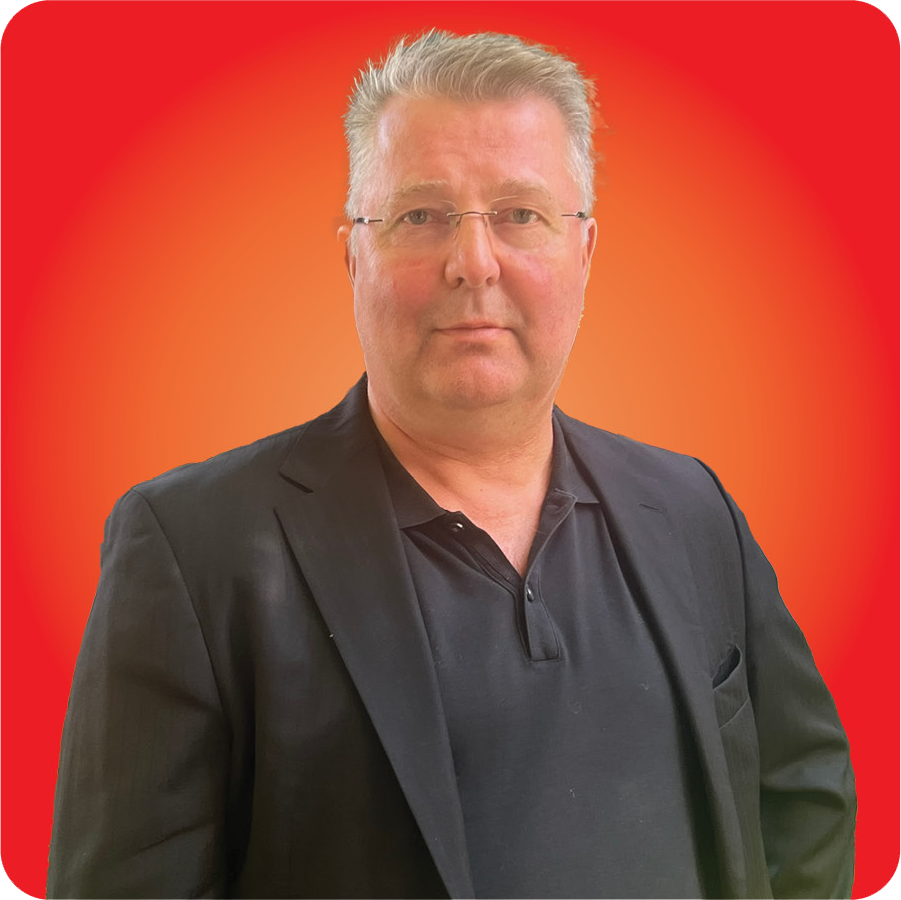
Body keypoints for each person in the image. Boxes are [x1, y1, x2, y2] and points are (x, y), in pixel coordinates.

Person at [47, 30, 855, 900]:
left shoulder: (694, 508)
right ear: (353, 253)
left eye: (520, 214)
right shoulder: (192, 548)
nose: (473, 264)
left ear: (583, 252)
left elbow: (803, 796)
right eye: (420, 215)